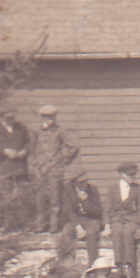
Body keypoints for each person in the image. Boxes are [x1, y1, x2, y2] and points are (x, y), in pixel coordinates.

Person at [30, 104, 80, 232]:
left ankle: (54, 226)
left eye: (52, 117)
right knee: (39, 198)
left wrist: (62, 159)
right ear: (42, 117)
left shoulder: (60, 131)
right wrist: (35, 164)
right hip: (40, 170)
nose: (49, 120)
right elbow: (31, 149)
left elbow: (73, 146)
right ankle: (40, 225)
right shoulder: (36, 131)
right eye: (46, 117)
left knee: (55, 199)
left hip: (55, 170)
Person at [104, 162, 140, 277]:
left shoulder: (137, 188)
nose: (132, 177)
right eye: (129, 175)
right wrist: (107, 226)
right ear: (122, 175)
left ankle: (130, 266)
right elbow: (107, 208)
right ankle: (119, 266)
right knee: (117, 232)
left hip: (131, 218)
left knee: (127, 233)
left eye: (134, 175)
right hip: (117, 218)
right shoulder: (112, 189)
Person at [55, 169, 105, 265]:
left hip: (92, 219)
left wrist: (86, 201)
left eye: (86, 181)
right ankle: (68, 263)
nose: (85, 184)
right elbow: (69, 212)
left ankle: (93, 263)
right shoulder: (68, 192)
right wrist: (78, 227)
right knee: (67, 231)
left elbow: (98, 212)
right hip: (76, 220)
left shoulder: (92, 190)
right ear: (75, 183)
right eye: (81, 182)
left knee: (91, 232)